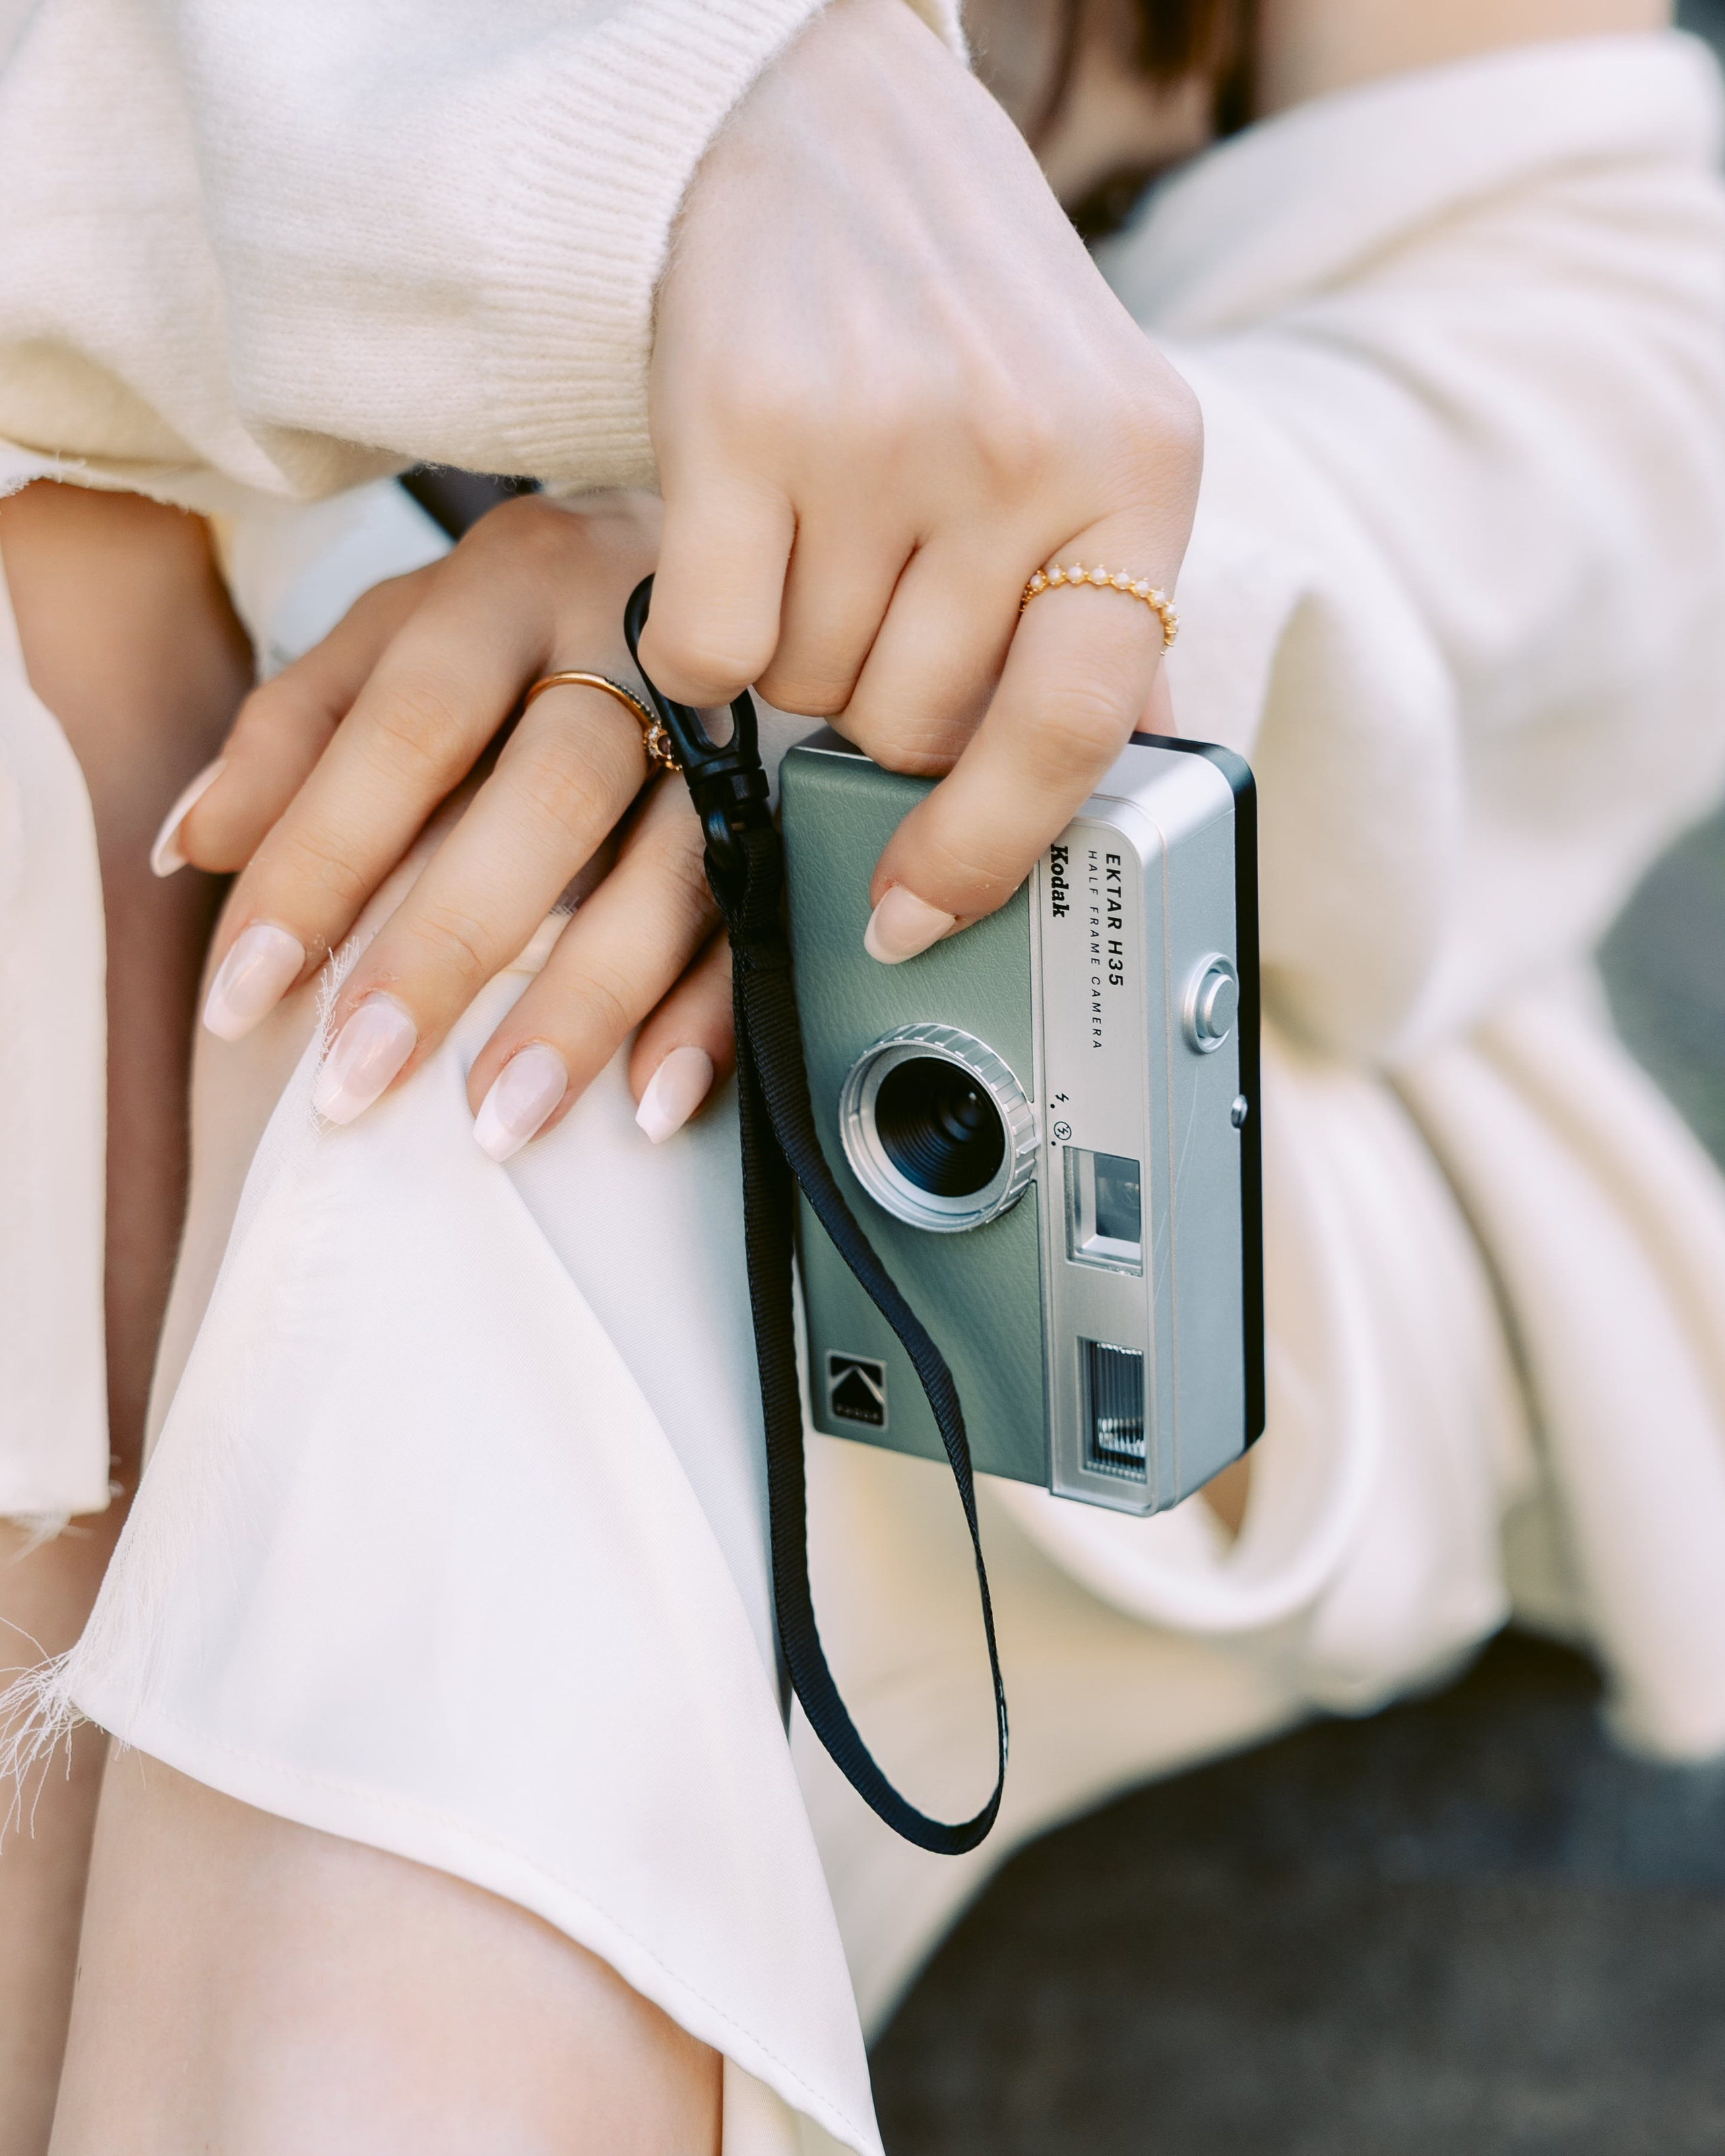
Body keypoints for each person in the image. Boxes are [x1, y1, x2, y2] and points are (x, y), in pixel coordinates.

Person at [7, 0, 1725, 2147]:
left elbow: (1594, 353)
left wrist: (910, 601)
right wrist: (679, 139)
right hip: (157, 742)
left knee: (510, 1062)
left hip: (1081, 990)